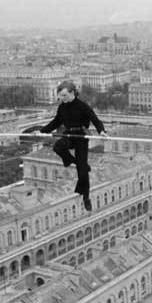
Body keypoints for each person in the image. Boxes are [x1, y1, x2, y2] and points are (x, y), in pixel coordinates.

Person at [40, 81, 106, 211]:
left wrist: (102, 131)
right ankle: (72, 160)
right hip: (69, 135)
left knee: (82, 174)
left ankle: (86, 197)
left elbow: (94, 119)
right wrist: (42, 131)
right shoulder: (62, 107)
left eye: (64, 95)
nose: (62, 98)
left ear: (72, 93)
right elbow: (56, 122)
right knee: (58, 147)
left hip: (81, 137)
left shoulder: (82, 106)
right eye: (60, 96)